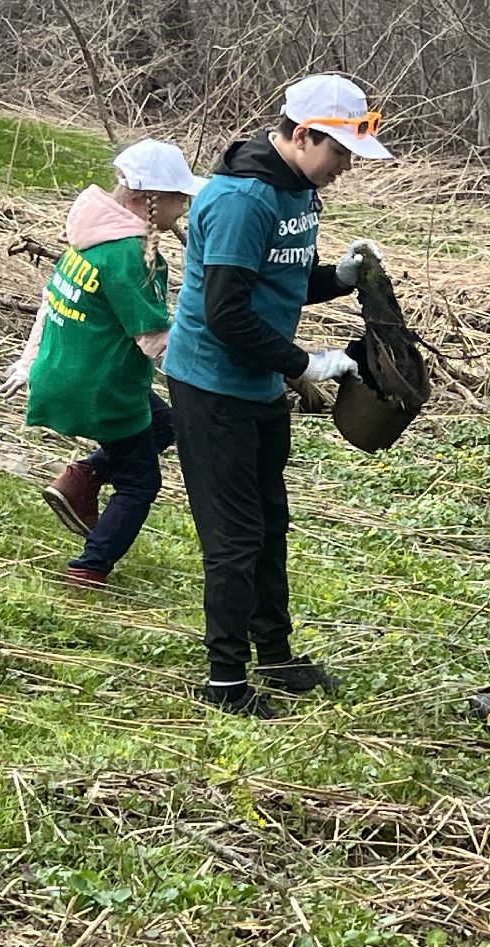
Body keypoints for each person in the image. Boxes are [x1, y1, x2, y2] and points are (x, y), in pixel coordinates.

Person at [163, 73, 393, 719]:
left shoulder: (300, 192)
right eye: (340, 153)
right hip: (212, 386)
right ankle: (226, 681)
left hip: (258, 385)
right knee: (235, 538)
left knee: (270, 525)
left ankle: (277, 657)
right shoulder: (243, 200)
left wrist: (342, 277)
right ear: (300, 134)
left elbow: (285, 281)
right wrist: (306, 363)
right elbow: (226, 314)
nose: (345, 168)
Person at [0, 140, 203, 587]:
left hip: (67, 371)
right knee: (140, 483)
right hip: (103, 389)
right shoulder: (130, 255)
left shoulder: (91, 233)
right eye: (178, 199)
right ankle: (89, 568)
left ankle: (83, 474)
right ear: (150, 201)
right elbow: (153, 341)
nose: (183, 209)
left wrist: (29, 361)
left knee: (164, 423)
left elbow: (50, 303)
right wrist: (212, 369)